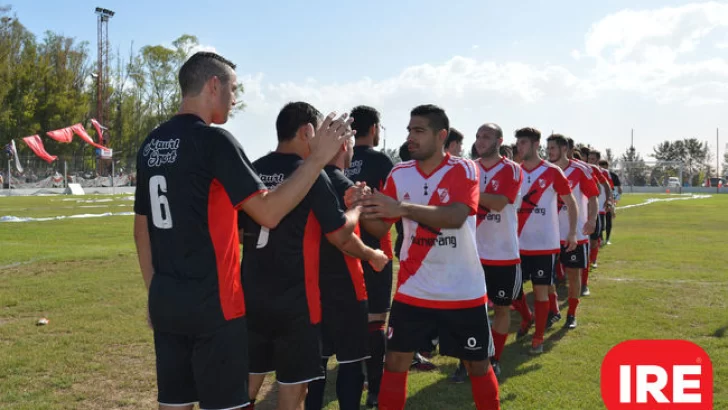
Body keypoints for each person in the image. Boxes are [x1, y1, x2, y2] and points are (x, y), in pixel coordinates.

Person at [133, 52, 352, 410]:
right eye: (233, 89)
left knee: (174, 403)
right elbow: (268, 213)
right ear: (213, 85)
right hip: (216, 307)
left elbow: (141, 230)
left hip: (167, 302)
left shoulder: (152, 143)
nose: (235, 99)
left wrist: (155, 292)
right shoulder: (215, 141)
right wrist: (316, 160)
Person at [240, 102, 389, 410]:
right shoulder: (309, 175)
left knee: (247, 384)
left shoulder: (253, 167)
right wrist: (356, 209)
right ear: (307, 131)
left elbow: (240, 231)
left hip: (252, 293)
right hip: (296, 300)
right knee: (295, 392)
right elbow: (339, 235)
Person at [357, 104, 501, 410]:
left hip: (462, 288)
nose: (411, 137)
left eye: (419, 131)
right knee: (395, 362)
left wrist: (405, 209)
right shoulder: (399, 172)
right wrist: (362, 207)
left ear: (441, 136)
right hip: (413, 288)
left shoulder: (464, 169)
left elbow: (456, 216)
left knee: (477, 364)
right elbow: (381, 225)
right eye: (409, 130)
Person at [305, 135, 379, 410]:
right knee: (350, 361)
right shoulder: (346, 187)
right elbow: (344, 238)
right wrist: (374, 254)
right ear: (344, 147)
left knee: (316, 366)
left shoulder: (303, 178)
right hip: (346, 286)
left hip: (310, 286)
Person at [344, 105, 395, 408]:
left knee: (351, 318)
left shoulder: (339, 162)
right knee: (376, 319)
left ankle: (355, 371)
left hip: (343, 247)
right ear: (374, 128)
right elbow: (392, 206)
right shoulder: (381, 161)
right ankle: (375, 388)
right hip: (375, 248)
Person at [515, 127, 578, 354]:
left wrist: (572, 233)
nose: (519, 147)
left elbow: (571, 203)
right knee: (512, 293)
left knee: (541, 291)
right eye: (518, 143)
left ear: (534, 144)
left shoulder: (552, 172)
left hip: (544, 246)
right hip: (516, 245)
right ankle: (526, 317)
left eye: (523, 143)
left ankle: (538, 338)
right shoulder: (515, 172)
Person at [471, 122, 523, 377]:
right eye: (478, 136)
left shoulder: (511, 170)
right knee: (472, 310)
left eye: (487, 136)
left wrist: (468, 192)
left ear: (499, 141)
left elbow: (499, 203)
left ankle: (495, 358)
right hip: (472, 254)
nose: (480, 141)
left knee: (502, 308)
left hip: (503, 253)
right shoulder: (470, 168)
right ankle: (470, 357)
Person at [547, 134, 598, 329]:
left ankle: (571, 313)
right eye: (548, 148)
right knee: (546, 278)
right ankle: (554, 310)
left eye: (553, 148)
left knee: (573, 275)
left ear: (564, 149)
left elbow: (593, 196)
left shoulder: (581, 170)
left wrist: (592, 219)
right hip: (548, 234)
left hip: (574, 232)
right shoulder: (545, 169)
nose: (549, 152)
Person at [587, 150, 614, 266]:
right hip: (589, 208)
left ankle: (593, 258)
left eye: (593, 159)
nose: (590, 161)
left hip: (601, 207)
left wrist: (609, 201)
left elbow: (609, 187)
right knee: (589, 235)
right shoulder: (585, 169)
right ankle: (589, 260)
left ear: (598, 160)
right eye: (589, 159)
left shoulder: (604, 172)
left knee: (597, 234)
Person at [601, 160, 622, 244]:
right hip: (600, 198)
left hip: (610, 197)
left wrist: (616, 199)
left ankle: (607, 239)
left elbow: (619, 188)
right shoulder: (596, 173)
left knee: (608, 218)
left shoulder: (612, 175)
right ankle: (601, 238)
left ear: (607, 166)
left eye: (603, 166)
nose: (602, 168)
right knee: (600, 220)